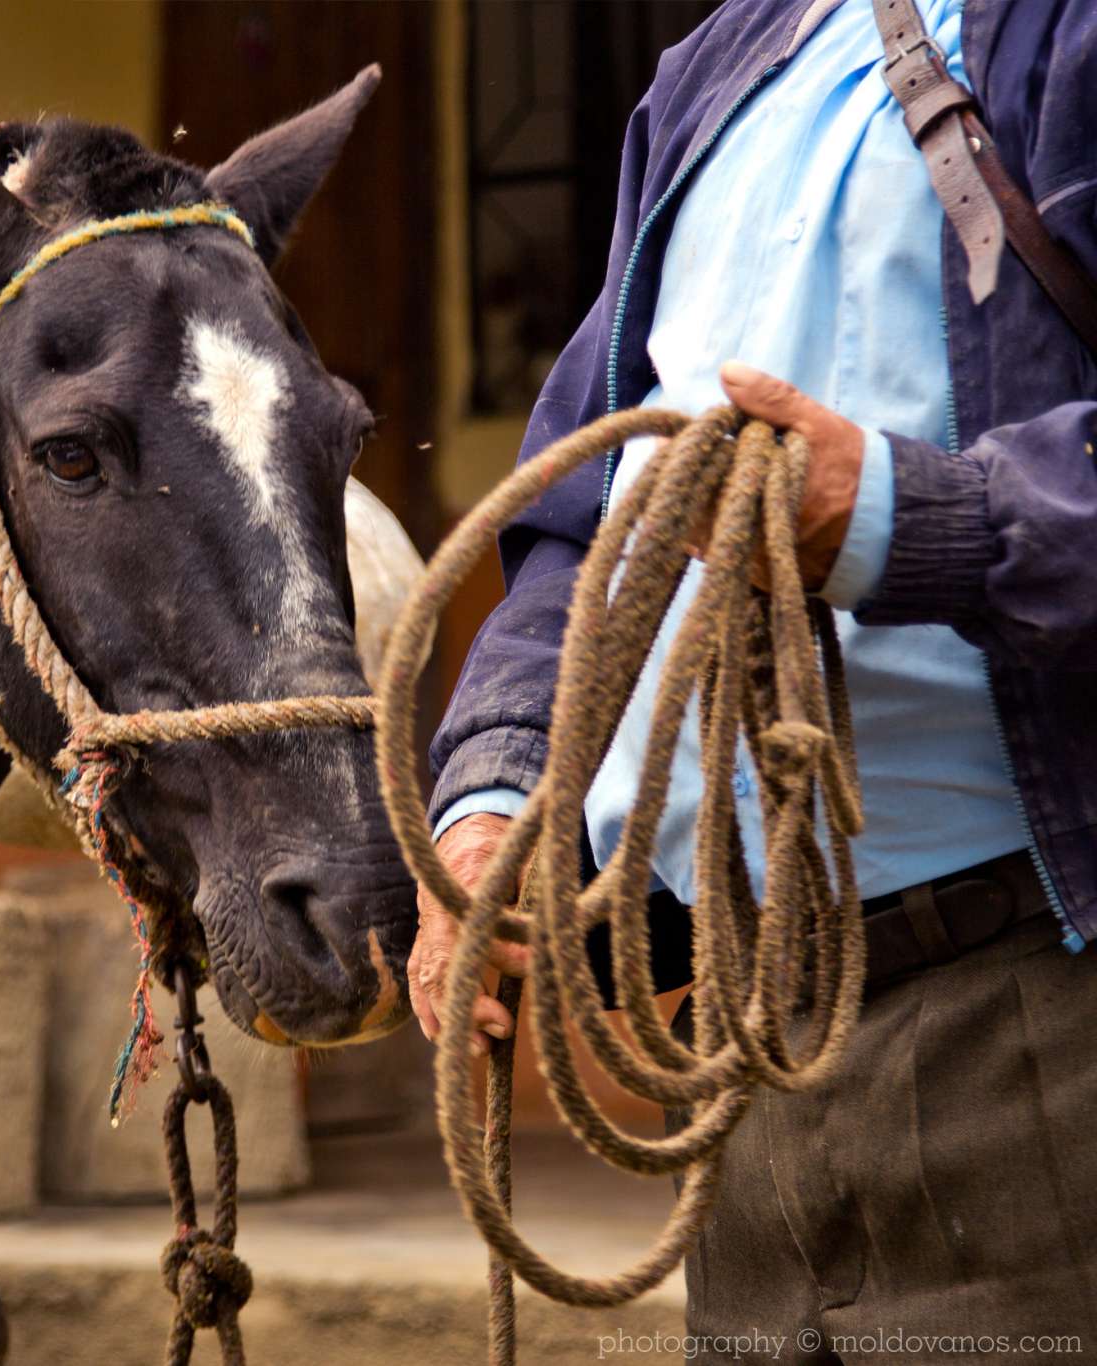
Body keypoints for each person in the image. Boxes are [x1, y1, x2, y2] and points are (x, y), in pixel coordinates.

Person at [419, 0, 1095, 1354]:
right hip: (744, 1055)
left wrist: (914, 512)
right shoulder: (708, 72)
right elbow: (591, 516)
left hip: (1044, 1005)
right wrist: (491, 799)